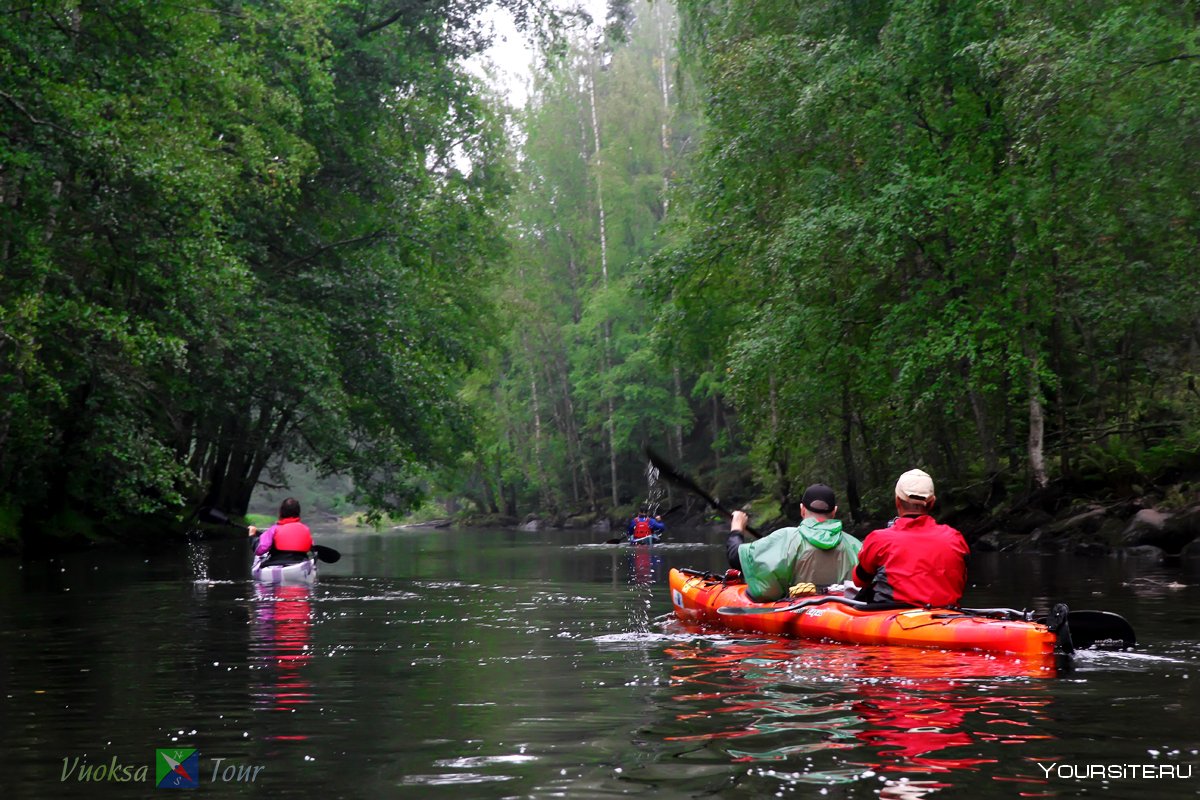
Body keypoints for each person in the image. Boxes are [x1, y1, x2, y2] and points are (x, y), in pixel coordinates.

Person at [849, 468, 969, 607]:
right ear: (932, 503)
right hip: (946, 618)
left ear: (897, 501)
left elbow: (859, 581)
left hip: (893, 618)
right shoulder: (955, 538)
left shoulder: (878, 539)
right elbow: (961, 580)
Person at [726, 484, 862, 601]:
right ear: (834, 512)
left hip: (796, 611)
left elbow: (735, 557)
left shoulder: (786, 537)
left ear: (802, 510)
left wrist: (737, 528)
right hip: (843, 613)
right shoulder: (856, 545)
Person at [248, 497, 314, 566]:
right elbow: (310, 546)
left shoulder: (274, 529)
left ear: (281, 512)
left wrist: (252, 536)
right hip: (300, 562)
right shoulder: (305, 529)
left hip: (277, 563)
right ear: (298, 513)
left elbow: (259, 550)